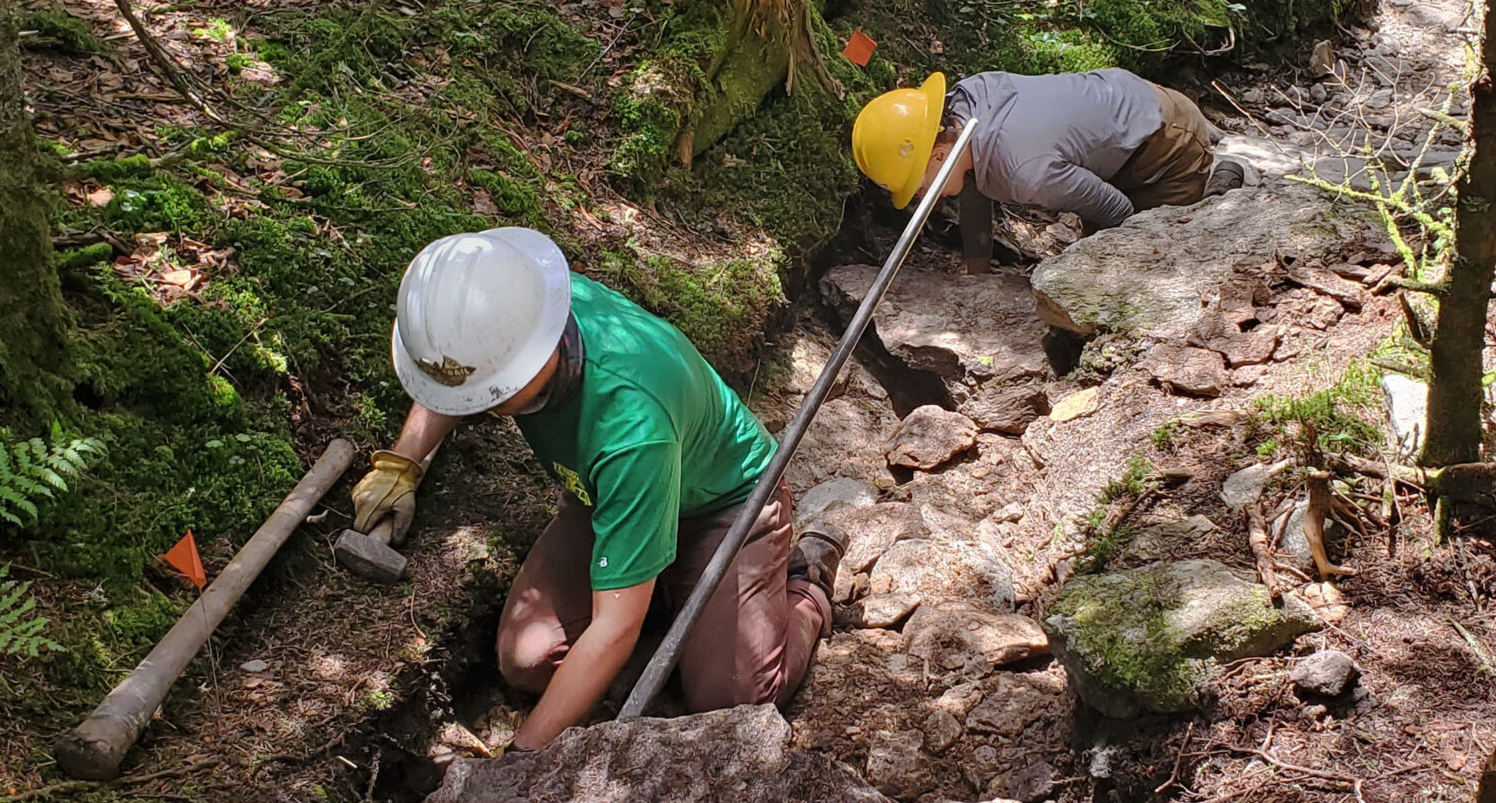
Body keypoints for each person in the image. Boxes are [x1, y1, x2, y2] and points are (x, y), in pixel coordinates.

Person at [348, 229, 843, 751]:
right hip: (610, 497)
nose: (476, 406)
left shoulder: (631, 426)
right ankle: (660, 589)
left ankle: (804, 589)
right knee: (529, 658)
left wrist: (520, 761)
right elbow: (455, 375)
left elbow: (613, 630)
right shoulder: (517, 302)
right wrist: (401, 464)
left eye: (487, 397)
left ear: (524, 370)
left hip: (725, 508)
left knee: (730, 697)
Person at [851, 68, 1246, 237]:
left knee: (1160, 245)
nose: (920, 197)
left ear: (937, 155)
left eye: (916, 186)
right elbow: (973, 184)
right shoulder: (965, 104)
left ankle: (1215, 193)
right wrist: (978, 270)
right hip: (1121, 103)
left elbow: (1117, 211)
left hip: (1164, 140)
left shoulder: (1027, 170)